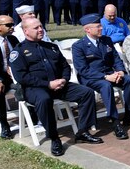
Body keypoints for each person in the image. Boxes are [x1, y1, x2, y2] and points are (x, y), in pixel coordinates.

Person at [9, 18, 101, 156]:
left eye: (41, 26)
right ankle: (54, 137)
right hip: (35, 88)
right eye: (36, 28)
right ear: (25, 31)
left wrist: (64, 80)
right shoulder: (19, 51)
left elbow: (65, 66)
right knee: (44, 99)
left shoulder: (51, 47)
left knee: (86, 92)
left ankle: (83, 131)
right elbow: (22, 77)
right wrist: (48, 84)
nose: (40, 29)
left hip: (59, 84)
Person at [72, 14, 130, 140]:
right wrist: (106, 76)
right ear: (87, 30)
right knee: (106, 85)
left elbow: (116, 59)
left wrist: (120, 71)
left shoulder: (106, 40)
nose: (101, 28)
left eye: (100, 26)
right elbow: (83, 70)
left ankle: (128, 115)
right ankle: (115, 122)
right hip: (92, 79)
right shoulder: (79, 46)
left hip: (111, 75)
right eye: (98, 27)